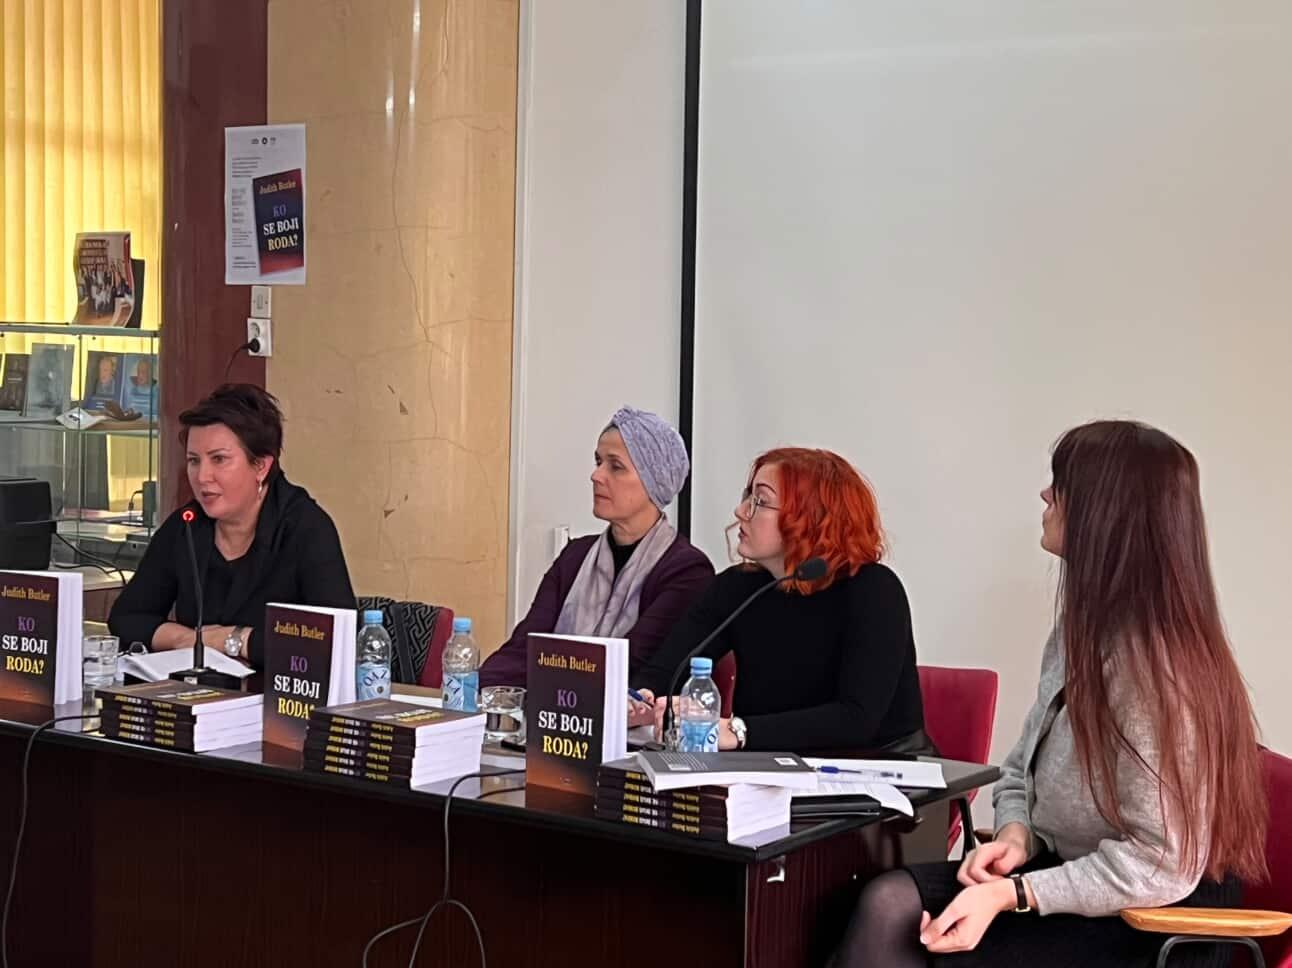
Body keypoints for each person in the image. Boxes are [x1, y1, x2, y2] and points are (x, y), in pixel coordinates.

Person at [827, 420, 1268, 968]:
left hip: (1157, 918)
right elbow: (1020, 769)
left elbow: (1160, 863)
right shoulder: (1080, 633)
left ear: (1105, 513)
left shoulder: (1154, 670)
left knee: (917, 937)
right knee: (886, 902)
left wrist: (1014, 894)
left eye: (1060, 485)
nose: (1044, 495)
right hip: (1080, 881)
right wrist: (1017, 837)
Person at [633, 447, 929, 753]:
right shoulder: (737, 587)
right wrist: (639, 700)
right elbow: (668, 668)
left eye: (760, 501)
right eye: (748, 496)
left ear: (811, 518)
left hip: (877, 768)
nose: (740, 511)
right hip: (771, 767)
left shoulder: (874, 590)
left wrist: (737, 731)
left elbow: (855, 719)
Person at [109, 384, 356, 669]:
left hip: (277, 694)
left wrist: (236, 639)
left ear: (261, 466)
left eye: (219, 459)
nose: (202, 476)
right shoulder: (187, 525)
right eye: (193, 461)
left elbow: (337, 639)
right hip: (201, 691)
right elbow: (127, 618)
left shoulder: (306, 527)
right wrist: (188, 641)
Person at [479, 406, 714, 687]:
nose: (596, 475)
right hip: (552, 707)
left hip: (622, 713)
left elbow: (631, 665)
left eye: (615, 466)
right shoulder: (575, 556)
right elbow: (526, 647)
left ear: (654, 482)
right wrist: (474, 691)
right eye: (598, 461)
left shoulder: (687, 571)